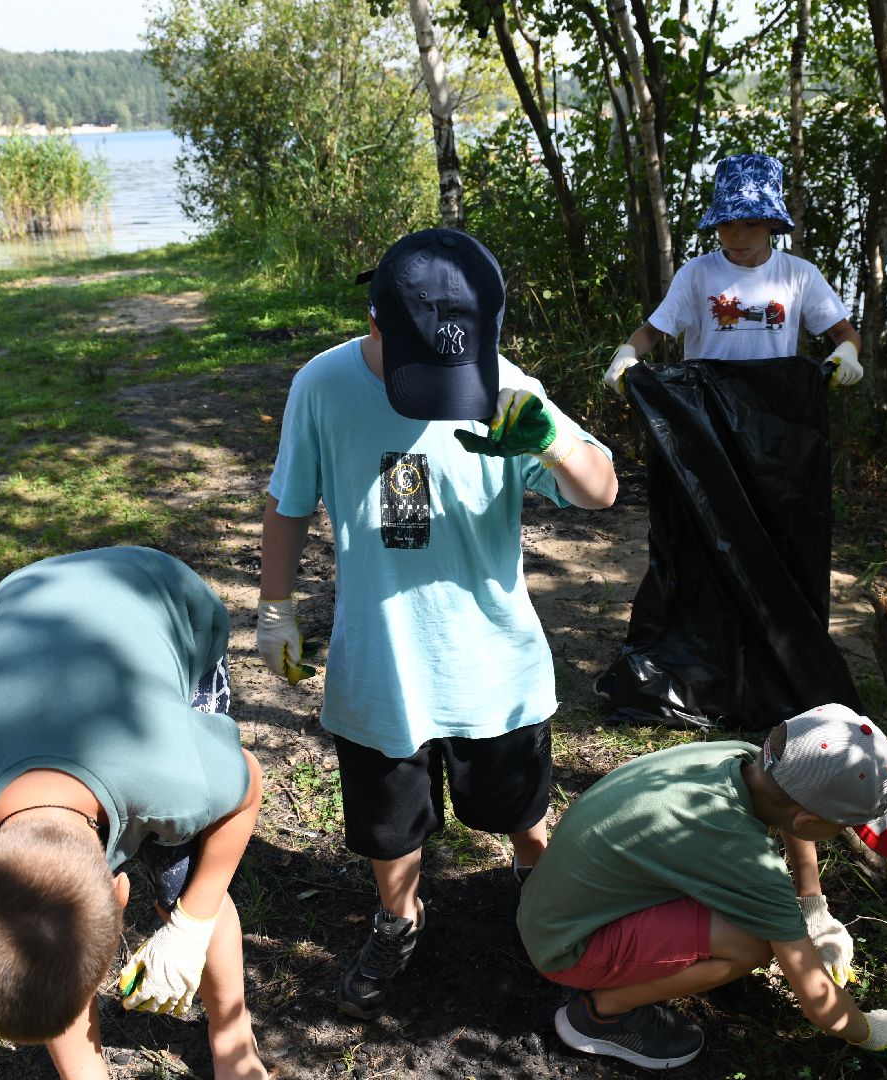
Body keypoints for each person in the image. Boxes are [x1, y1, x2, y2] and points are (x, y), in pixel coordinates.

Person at [255, 228, 619, 1020]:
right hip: (381, 663)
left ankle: (544, 900)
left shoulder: (509, 388)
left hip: (491, 663)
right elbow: (287, 505)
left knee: (520, 812)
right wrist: (275, 607)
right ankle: (398, 920)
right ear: (377, 321)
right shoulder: (322, 386)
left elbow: (602, 491)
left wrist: (553, 441)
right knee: (389, 830)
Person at [0, 546, 267, 1080]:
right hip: (17, 600)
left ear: (120, 891)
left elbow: (248, 785)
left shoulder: (174, 778)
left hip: (162, 597)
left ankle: (233, 1037)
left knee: (185, 882)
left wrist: (192, 922)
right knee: (55, 947)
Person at [516, 703, 887, 1070]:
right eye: (846, 826)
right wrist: (868, 1032)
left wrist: (813, 904)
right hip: (565, 948)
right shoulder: (745, 858)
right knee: (755, 942)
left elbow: (791, 815)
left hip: (554, 904)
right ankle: (598, 1016)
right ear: (809, 821)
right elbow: (820, 1005)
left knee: (754, 921)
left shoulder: (740, 758)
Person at [602, 151, 863, 395]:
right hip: (707, 409)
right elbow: (651, 332)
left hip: (775, 407)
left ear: (773, 222)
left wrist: (847, 353)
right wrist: (627, 353)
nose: (738, 236)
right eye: (726, 223)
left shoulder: (799, 275)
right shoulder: (697, 274)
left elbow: (844, 333)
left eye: (751, 224)